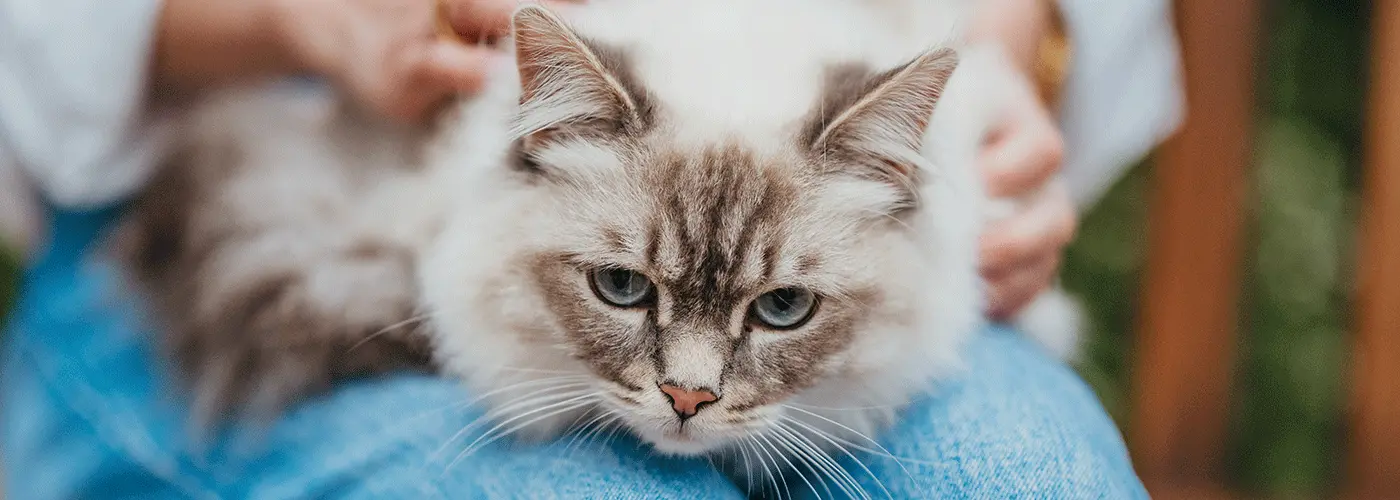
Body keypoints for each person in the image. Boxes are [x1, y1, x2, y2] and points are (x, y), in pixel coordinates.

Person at [0, 0, 1180, 497]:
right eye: (624, 288)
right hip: (308, 142)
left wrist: (1000, 55)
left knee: (1029, 478)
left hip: (827, 128)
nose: (689, 385)